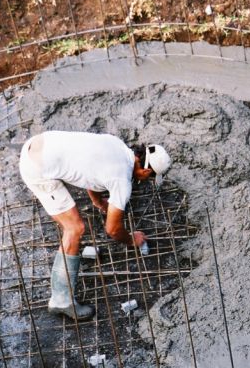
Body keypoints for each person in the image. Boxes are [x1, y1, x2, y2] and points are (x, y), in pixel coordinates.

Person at [19, 131, 171, 321]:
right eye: (149, 177)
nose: (145, 180)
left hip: (39, 143)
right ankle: (61, 300)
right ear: (147, 171)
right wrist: (133, 239)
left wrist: (100, 203)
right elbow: (113, 230)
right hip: (37, 169)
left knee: (74, 225)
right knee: (74, 228)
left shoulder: (117, 145)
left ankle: (62, 292)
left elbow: (91, 175)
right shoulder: (122, 181)